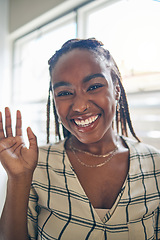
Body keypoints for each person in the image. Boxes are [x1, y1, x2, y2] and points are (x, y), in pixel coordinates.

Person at [0, 38, 160, 240]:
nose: (79, 106)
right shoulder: (35, 164)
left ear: (116, 89)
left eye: (93, 87)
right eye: (65, 93)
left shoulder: (155, 164)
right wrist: (18, 178)